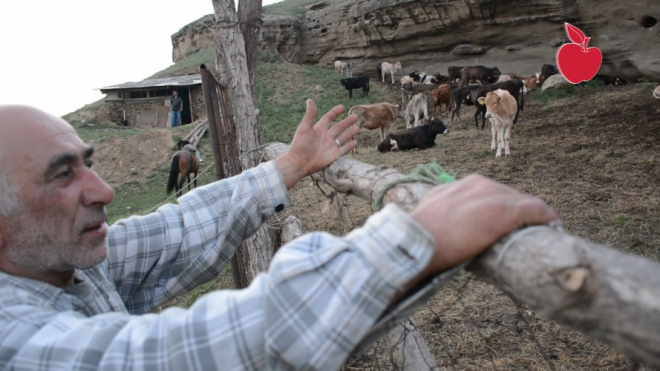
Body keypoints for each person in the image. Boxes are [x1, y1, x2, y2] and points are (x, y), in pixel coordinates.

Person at [0, 101, 557, 370]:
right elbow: (170, 357)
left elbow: (171, 230)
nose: (104, 191)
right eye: (62, 174)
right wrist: (415, 237)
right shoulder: (14, 339)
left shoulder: (63, 262)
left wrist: (287, 167)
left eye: (87, 164)